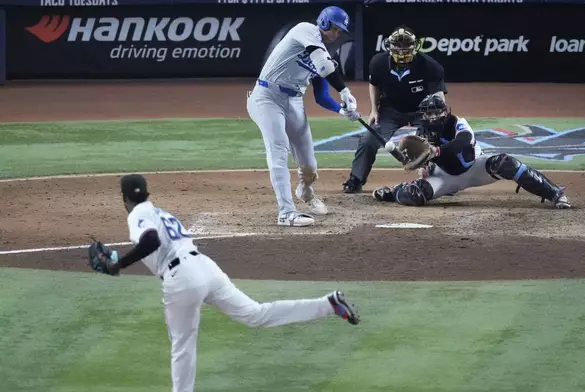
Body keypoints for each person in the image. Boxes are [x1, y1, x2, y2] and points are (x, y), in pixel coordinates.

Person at [97, 174, 360, 392]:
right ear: (146, 193)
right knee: (255, 314)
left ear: (124, 199)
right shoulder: (158, 211)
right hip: (205, 267)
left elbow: (151, 240)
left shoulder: (137, 215)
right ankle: (328, 305)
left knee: (182, 344)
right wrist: (118, 260)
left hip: (182, 279)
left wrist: (119, 265)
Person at [247, 6, 360, 227]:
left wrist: (341, 109)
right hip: (267, 96)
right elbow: (324, 65)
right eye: (336, 29)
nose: (338, 35)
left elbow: (321, 96)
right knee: (278, 151)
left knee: (309, 165)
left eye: (341, 31)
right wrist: (345, 91)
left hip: (294, 102)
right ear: (325, 23)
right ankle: (286, 212)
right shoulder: (306, 30)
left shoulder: (323, 52)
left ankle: (306, 192)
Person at [372, 93, 572, 209]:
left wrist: (436, 151)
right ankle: (393, 192)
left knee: (505, 163)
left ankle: (555, 194)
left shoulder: (457, 122)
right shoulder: (420, 133)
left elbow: (464, 142)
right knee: (412, 196)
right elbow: (421, 159)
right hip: (446, 177)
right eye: (429, 113)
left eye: (437, 112)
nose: (433, 117)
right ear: (423, 115)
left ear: (445, 112)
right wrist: (422, 167)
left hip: (476, 167)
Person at [342, 25, 447, 193]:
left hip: (422, 111)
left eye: (406, 45)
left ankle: (440, 181)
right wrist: (374, 110)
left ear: (415, 46)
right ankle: (356, 179)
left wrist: (438, 120)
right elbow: (374, 85)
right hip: (391, 109)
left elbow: (439, 93)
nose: (401, 49)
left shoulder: (429, 65)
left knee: (431, 143)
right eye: (397, 45)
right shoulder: (379, 62)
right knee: (368, 140)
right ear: (389, 45)